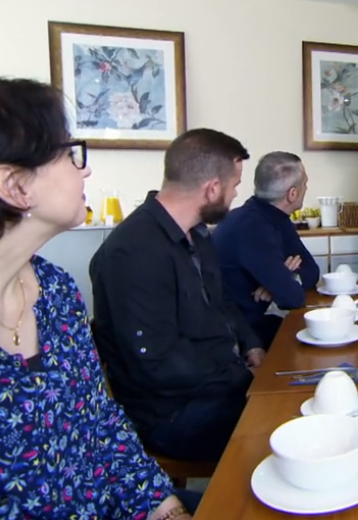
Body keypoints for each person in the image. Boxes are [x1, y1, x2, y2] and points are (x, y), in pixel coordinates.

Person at [0, 76, 193, 519]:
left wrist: (166, 509)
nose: (84, 169)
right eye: (70, 155)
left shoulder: (51, 288)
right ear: (14, 185)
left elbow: (100, 425)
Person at [89, 128, 265, 464]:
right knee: (285, 430)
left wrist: (251, 344)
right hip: (173, 413)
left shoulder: (196, 235)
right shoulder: (132, 251)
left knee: (297, 403)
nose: (235, 194)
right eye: (235, 185)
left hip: (218, 386)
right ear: (212, 188)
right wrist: (242, 378)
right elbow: (156, 360)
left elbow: (223, 301)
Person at [213, 151, 320, 349]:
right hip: (238, 335)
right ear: (292, 193)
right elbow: (292, 298)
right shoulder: (250, 227)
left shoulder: (278, 217)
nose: (307, 187)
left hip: (259, 320)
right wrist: (283, 283)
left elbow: (312, 271)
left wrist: (283, 280)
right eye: (304, 183)